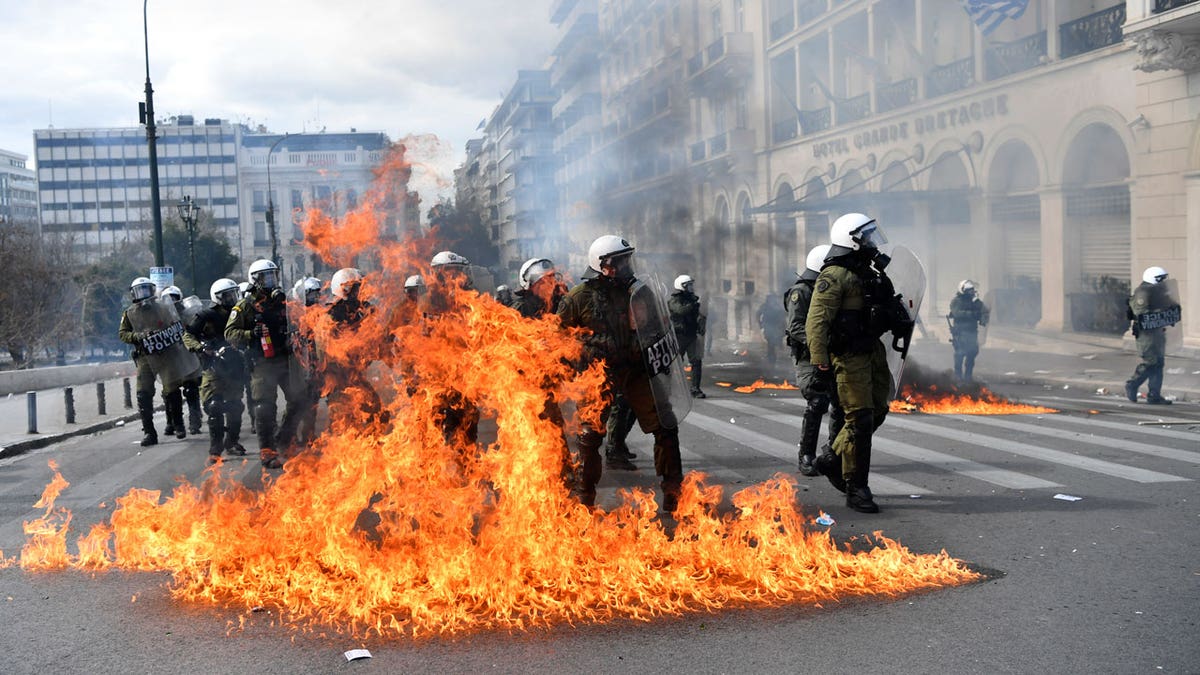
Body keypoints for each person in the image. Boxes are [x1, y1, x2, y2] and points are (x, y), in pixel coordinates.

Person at [558, 235, 684, 511]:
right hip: (598, 374)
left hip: (636, 369)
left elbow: (658, 326)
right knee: (590, 437)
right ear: (602, 265)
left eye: (628, 259)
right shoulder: (578, 298)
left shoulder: (639, 292)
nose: (627, 266)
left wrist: (652, 342)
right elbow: (560, 338)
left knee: (665, 424)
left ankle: (673, 491)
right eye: (621, 261)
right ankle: (585, 496)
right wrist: (583, 355)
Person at [806, 213, 911, 514]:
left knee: (878, 409)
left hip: (872, 350)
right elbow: (817, 323)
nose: (871, 242)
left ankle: (830, 458)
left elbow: (885, 305)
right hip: (849, 356)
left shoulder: (868, 272)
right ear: (850, 240)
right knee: (860, 419)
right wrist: (820, 362)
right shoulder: (834, 276)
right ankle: (856, 487)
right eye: (865, 236)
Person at [225, 259, 301, 468]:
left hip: (286, 359)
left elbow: (299, 322)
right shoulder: (245, 306)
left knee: (299, 399)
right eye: (266, 277)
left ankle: (284, 439)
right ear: (255, 280)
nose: (271, 281)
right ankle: (267, 452)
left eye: (273, 275)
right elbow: (230, 333)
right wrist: (250, 333)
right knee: (264, 407)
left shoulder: (283, 302)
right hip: (262, 363)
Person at [785, 244, 844, 477]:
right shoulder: (802, 291)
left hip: (832, 354)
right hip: (808, 356)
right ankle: (806, 455)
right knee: (817, 401)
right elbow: (795, 327)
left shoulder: (830, 288)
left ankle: (833, 452)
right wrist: (819, 340)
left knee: (840, 402)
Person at [183, 278, 248, 462]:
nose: (231, 299)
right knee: (214, 406)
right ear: (218, 297)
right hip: (213, 366)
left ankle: (232, 442)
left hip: (235, 366)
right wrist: (201, 348)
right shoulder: (206, 315)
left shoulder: (241, 313)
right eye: (227, 296)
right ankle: (215, 449)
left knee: (236, 406)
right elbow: (188, 336)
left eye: (234, 294)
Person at [325, 267, 386, 425]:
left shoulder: (359, 310)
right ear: (343, 289)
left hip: (355, 371)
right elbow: (332, 346)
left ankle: (369, 442)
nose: (358, 293)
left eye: (359, 288)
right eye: (355, 289)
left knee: (376, 409)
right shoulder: (332, 314)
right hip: (338, 375)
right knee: (343, 417)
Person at [118, 277, 163, 446]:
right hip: (145, 355)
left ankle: (178, 423)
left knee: (174, 388)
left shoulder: (161, 308)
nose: (144, 295)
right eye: (140, 291)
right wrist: (138, 336)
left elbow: (174, 323)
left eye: (147, 290)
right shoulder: (129, 313)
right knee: (143, 394)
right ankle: (150, 432)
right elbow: (123, 334)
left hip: (166, 353)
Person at [1125, 266, 1179, 405]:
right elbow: (1141, 312)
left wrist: (1172, 311)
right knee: (1151, 362)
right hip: (1146, 334)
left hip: (1158, 331)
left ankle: (1154, 395)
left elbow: (1169, 304)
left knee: (1159, 363)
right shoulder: (1143, 292)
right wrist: (1162, 311)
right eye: (1160, 279)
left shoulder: (1158, 291)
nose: (1163, 281)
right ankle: (1132, 384)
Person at [158, 285, 203, 436]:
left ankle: (195, 421)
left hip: (187, 356)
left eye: (174, 299)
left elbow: (197, 331)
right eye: (168, 300)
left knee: (191, 389)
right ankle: (173, 423)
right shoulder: (161, 319)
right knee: (170, 393)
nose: (171, 303)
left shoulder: (188, 315)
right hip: (170, 359)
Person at [288, 276, 324, 446]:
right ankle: (288, 437)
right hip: (297, 364)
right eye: (311, 296)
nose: (314, 300)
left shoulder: (319, 313)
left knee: (313, 401)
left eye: (316, 295)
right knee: (296, 403)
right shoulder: (293, 313)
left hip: (314, 362)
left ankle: (308, 435)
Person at [668, 274, 707, 398]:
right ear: (682, 286)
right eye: (688, 285)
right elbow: (680, 310)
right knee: (674, 363)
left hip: (691, 335)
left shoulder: (692, 299)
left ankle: (695, 388)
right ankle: (669, 388)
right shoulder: (675, 300)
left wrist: (701, 325)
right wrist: (694, 304)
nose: (691, 287)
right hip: (679, 336)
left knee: (696, 362)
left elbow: (700, 315)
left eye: (691, 285)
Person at [948, 279, 990, 382]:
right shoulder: (956, 301)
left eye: (972, 290)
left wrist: (982, 317)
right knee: (960, 354)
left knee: (972, 353)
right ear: (964, 290)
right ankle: (958, 376)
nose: (972, 292)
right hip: (961, 333)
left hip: (972, 332)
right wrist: (971, 314)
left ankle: (968, 377)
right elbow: (957, 313)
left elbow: (984, 311)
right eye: (969, 290)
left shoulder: (974, 301)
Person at [757, 293, 786, 366]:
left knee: (775, 341)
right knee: (770, 342)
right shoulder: (765, 306)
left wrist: (782, 326)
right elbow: (758, 314)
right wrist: (760, 324)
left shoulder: (777, 306)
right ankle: (771, 357)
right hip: (768, 326)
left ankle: (774, 355)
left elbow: (782, 315)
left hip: (776, 326)